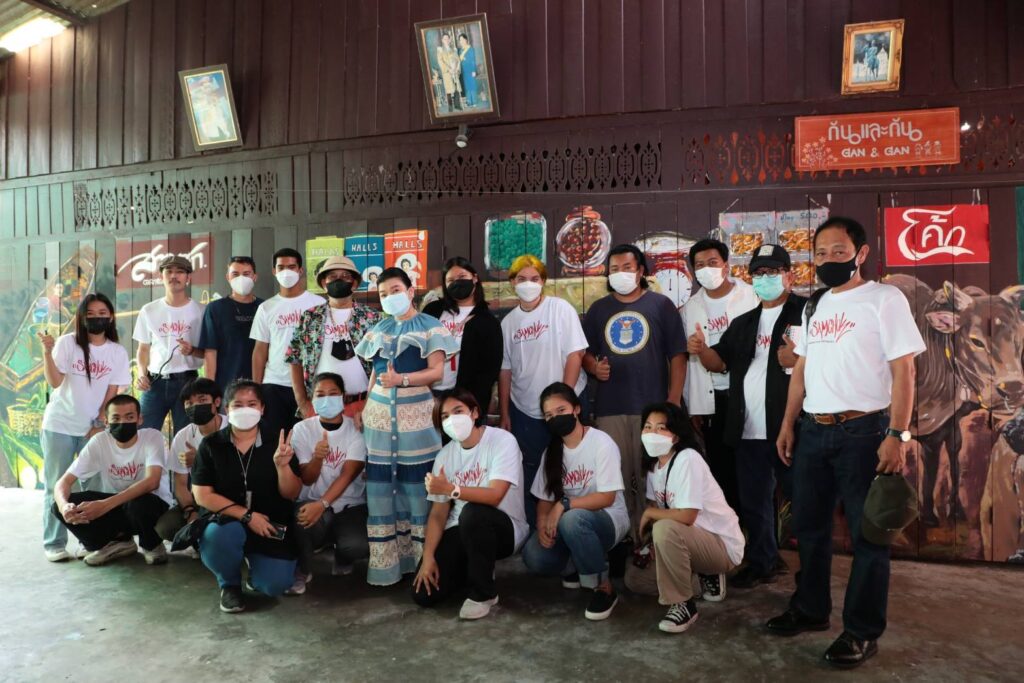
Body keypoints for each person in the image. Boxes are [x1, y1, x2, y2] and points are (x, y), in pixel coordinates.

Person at [768, 217, 925, 669]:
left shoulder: (884, 299)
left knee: (868, 535)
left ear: (861, 253)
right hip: (814, 430)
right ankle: (811, 609)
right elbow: (800, 370)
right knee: (810, 528)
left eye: (839, 251)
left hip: (865, 433)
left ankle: (861, 631)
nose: (828, 260)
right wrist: (788, 423)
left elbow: (904, 371)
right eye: (821, 253)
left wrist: (897, 434)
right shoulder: (814, 305)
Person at [691, 244, 805, 588]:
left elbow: (829, 360)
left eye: (773, 272)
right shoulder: (744, 323)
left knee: (804, 501)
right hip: (748, 428)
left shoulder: (806, 312)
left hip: (792, 427)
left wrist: (800, 359)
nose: (765, 278)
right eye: (758, 273)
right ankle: (763, 562)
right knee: (754, 502)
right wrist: (703, 350)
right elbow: (719, 362)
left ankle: (812, 572)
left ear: (789, 276)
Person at [354, 267, 458, 586]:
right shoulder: (379, 327)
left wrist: (403, 380)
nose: (389, 297)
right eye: (383, 294)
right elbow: (376, 371)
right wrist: (366, 405)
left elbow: (436, 372)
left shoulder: (430, 326)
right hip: (379, 419)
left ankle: (423, 562)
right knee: (382, 488)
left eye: (395, 290)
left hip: (418, 416)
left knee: (417, 486)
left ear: (411, 291)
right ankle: (389, 566)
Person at [582, 244, 686, 527]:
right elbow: (584, 353)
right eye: (614, 269)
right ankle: (624, 536)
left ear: (640, 271)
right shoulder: (599, 309)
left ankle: (651, 535)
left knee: (650, 476)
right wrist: (593, 367)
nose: (620, 273)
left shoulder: (661, 305)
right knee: (615, 476)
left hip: (652, 410)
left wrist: (673, 399)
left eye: (627, 267)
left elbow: (678, 355)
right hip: (610, 409)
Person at [624, 402, 745, 633]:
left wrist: (650, 514)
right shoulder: (654, 466)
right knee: (635, 579)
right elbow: (658, 506)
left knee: (664, 529)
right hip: (688, 540)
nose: (651, 433)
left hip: (719, 544)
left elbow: (687, 516)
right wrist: (652, 545)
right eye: (647, 427)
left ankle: (683, 604)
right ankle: (701, 579)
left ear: (676, 436)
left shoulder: (687, 458)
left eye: (661, 428)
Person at [413, 388, 528, 620]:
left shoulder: (502, 441)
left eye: (458, 411)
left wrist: (452, 489)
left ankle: (484, 593)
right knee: (423, 595)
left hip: (503, 526)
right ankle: (474, 570)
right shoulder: (444, 456)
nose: (452, 420)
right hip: (462, 529)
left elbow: (495, 496)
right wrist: (428, 556)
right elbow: (438, 513)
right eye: (445, 416)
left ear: (474, 413)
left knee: (473, 513)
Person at [191, 379, 304, 613]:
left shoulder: (279, 443)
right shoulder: (211, 445)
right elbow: (202, 495)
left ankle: (256, 567)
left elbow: (292, 493)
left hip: (269, 524)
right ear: (226, 409)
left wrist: (282, 466)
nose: (245, 410)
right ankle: (229, 584)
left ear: (262, 409)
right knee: (218, 535)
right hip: (227, 522)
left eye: (252, 404)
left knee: (274, 585)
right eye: (238, 405)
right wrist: (247, 516)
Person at [522, 383, 630, 621]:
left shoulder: (601, 443)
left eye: (561, 410)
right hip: (570, 524)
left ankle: (603, 587)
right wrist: (542, 525)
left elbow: (607, 497)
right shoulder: (551, 451)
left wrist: (564, 504)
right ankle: (577, 565)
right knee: (534, 555)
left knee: (573, 519)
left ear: (577, 409)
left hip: (608, 519)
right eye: (549, 415)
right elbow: (543, 499)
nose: (555, 418)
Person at [38, 293, 131, 562]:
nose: (96, 318)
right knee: (57, 485)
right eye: (90, 314)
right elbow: (55, 382)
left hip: (93, 429)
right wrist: (47, 352)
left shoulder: (117, 351)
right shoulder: (68, 343)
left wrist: (100, 423)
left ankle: (90, 540)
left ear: (110, 317)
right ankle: (54, 542)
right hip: (59, 425)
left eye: (102, 313)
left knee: (92, 487)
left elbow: (112, 392)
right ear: (81, 317)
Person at [499, 255, 588, 525]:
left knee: (572, 465)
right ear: (512, 282)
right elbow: (505, 371)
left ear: (543, 281)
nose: (528, 284)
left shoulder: (560, 309)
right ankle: (534, 527)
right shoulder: (508, 323)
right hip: (525, 411)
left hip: (564, 407)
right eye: (522, 279)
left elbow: (576, 354)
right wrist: (505, 413)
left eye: (534, 278)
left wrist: (565, 401)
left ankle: (572, 523)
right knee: (531, 470)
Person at [50, 395, 173, 567]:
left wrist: (104, 505)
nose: (122, 423)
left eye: (129, 417)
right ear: (106, 422)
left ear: (140, 419)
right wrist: (64, 507)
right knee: (57, 506)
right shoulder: (100, 441)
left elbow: (152, 481)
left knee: (139, 503)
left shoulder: (152, 437)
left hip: (152, 506)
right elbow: (62, 483)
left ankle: (152, 545)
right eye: (116, 418)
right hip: (117, 505)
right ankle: (116, 543)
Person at [682, 239, 758, 512]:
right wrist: (694, 405)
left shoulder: (751, 296)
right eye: (699, 265)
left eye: (712, 262)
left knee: (753, 470)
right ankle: (731, 530)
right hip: (712, 400)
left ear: (726, 265)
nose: (706, 269)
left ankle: (757, 532)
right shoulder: (690, 307)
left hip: (749, 396)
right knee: (721, 470)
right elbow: (689, 361)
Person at [286, 372, 369, 595]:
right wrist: (317, 458)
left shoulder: (356, 428)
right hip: (312, 501)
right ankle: (304, 569)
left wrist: (322, 504)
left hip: (350, 505)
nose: (327, 399)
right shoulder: (303, 429)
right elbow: (307, 478)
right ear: (312, 399)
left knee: (358, 545)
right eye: (320, 394)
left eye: (333, 393)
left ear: (343, 397)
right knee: (302, 518)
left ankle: (343, 556)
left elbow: (348, 474)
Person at [287, 256, 380, 422]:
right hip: (320, 406)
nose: (339, 280)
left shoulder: (371, 317)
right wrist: (302, 403)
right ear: (324, 283)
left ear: (354, 283)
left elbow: (382, 363)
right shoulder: (310, 317)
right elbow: (294, 359)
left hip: (363, 405)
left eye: (345, 276)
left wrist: (371, 403)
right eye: (332, 276)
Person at [250, 248, 324, 439]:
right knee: (276, 441)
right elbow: (260, 350)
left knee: (308, 441)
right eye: (281, 267)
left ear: (300, 270)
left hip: (310, 384)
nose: (286, 272)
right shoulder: (266, 307)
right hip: (274, 385)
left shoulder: (318, 304)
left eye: (291, 267)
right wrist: (257, 389)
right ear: (274, 271)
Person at [134, 255, 206, 435]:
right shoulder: (149, 310)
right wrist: (142, 374)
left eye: (180, 272)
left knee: (186, 437)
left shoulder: (201, 311)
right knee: (143, 435)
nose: (174, 276)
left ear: (188, 278)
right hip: (155, 382)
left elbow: (208, 352)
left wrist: (192, 350)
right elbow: (143, 349)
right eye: (169, 272)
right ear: (161, 277)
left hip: (188, 382)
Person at [422, 257, 502, 412]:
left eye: (462, 277)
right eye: (450, 280)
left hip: (465, 401)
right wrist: (424, 391)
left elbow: (489, 370)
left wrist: (463, 403)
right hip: (427, 395)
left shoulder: (488, 321)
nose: (457, 283)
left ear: (475, 278)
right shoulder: (432, 311)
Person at [156, 377, 226, 546]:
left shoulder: (234, 428)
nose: (195, 406)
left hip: (231, 496)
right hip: (200, 498)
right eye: (189, 403)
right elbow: (180, 485)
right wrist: (190, 512)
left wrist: (202, 459)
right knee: (166, 527)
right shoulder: (183, 436)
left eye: (202, 400)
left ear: (217, 402)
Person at [199, 256, 264, 390]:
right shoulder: (215, 309)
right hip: (226, 386)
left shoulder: (265, 307)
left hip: (262, 385)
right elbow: (210, 351)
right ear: (228, 277)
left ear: (255, 277)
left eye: (246, 274)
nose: (241, 278)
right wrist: (210, 390)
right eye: (235, 274)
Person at [435, 32, 462, 112]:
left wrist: (457, 68)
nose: (446, 40)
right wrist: (448, 69)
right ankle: (450, 107)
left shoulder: (454, 49)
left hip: (455, 71)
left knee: (456, 88)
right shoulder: (440, 50)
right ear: (442, 40)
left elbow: (458, 60)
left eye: (448, 39)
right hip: (447, 72)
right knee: (449, 89)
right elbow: (440, 61)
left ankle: (457, 105)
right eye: (445, 39)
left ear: (450, 40)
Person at [457, 33, 478, 107]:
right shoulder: (460, 51)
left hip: (470, 70)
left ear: (466, 40)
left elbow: (473, 60)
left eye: (463, 39)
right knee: (466, 86)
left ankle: (474, 102)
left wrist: (474, 71)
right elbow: (459, 61)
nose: (461, 41)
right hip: (464, 71)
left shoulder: (470, 49)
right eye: (460, 40)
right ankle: (469, 102)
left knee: (472, 85)